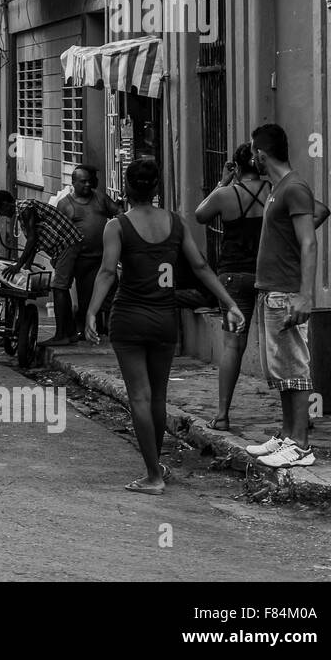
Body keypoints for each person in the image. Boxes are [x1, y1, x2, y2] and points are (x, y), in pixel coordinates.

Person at [85, 159, 244, 495]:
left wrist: (90, 312)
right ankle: (155, 467)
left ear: (126, 188)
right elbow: (200, 265)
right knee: (157, 397)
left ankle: (153, 476)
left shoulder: (116, 226)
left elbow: (107, 273)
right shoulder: (175, 222)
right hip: (164, 320)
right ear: (156, 188)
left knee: (139, 398)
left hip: (129, 319)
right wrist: (229, 303)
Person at [243, 124, 331, 470]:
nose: (252, 157)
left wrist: (304, 294)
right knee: (282, 371)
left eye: (254, 151)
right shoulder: (282, 188)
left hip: (287, 291)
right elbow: (319, 212)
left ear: (261, 154)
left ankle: (301, 445)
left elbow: (309, 241)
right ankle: (287, 435)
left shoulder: (293, 187)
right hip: (273, 289)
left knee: (295, 369)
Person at [193, 143, 269, 431]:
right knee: (280, 344)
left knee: (233, 346)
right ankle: (298, 416)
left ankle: (223, 415)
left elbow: (200, 214)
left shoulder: (226, 195)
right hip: (268, 273)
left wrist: (222, 182)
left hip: (233, 278)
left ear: (237, 167)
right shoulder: (273, 192)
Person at [0, 189, 83, 345]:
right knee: (62, 287)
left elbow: (32, 240)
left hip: (67, 244)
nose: (1, 215)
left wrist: (18, 265)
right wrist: (25, 268)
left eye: (0, 210)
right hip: (63, 247)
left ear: (6, 204)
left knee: (58, 287)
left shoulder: (26, 209)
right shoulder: (22, 213)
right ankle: (70, 333)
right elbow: (34, 244)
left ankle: (61, 335)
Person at [57, 165, 122, 341]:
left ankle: (111, 330)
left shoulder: (99, 197)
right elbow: (58, 233)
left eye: (89, 181)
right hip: (82, 261)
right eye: (82, 181)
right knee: (86, 298)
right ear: (73, 183)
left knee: (111, 294)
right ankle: (87, 331)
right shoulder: (65, 205)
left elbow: (118, 212)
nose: (87, 185)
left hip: (103, 258)